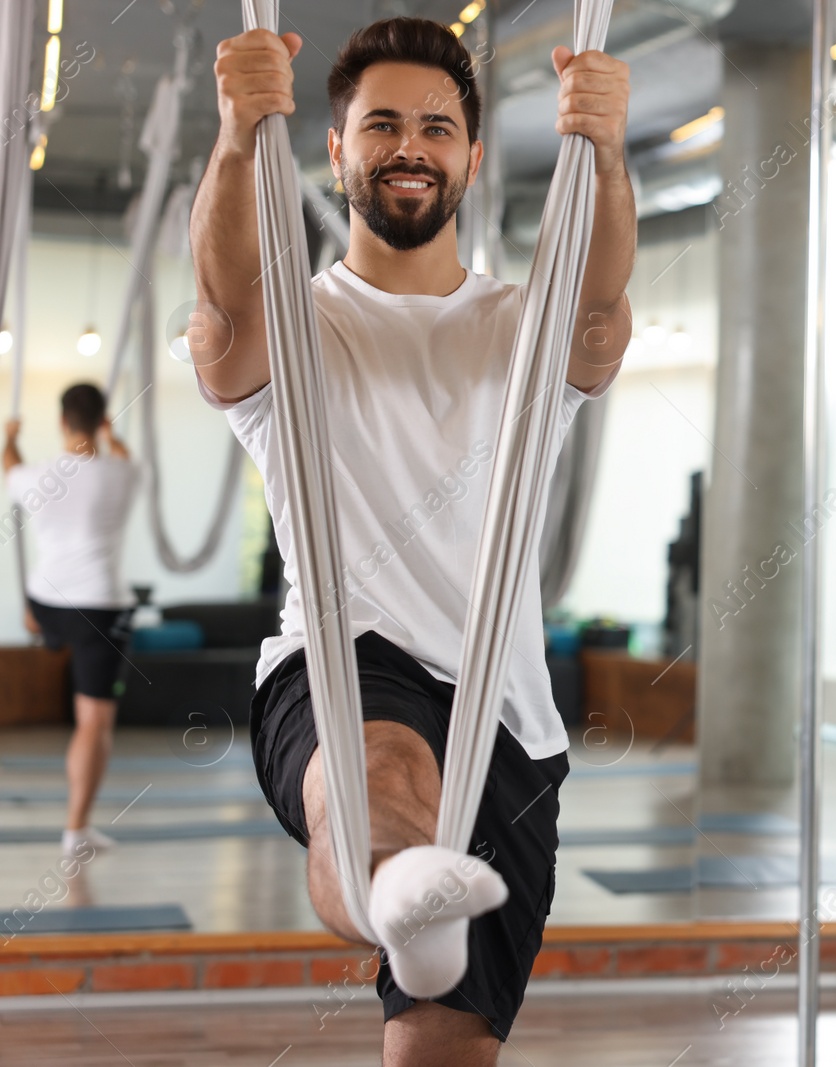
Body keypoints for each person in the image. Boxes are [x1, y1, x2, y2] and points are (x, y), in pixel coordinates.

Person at [189, 16, 633, 1065]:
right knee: (380, 774)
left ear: (471, 159)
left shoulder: (521, 329)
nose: (408, 145)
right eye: (379, 124)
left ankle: (419, 912)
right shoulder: (295, 326)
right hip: (344, 662)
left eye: (436, 127)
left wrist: (607, 155)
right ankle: (401, 888)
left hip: (511, 720)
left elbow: (601, 307)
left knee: (441, 1044)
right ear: (334, 151)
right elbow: (220, 308)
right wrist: (234, 135)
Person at [3, 385, 141, 856]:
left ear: (63, 422)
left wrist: (10, 437)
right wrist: (113, 435)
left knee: (37, 607)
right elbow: (123, 454)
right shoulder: (123, 473)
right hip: (100, 608)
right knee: (93, 724)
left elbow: (9, 468)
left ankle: (37, 627)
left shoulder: (38, 476)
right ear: (102, 421)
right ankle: (75, 830)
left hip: (45, 604)